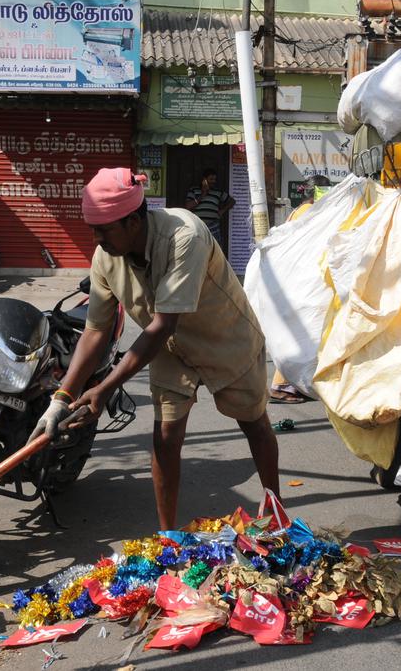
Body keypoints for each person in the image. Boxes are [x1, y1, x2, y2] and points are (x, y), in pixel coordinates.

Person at [30, 167, 280, 530]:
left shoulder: (185, 235)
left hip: (223, 335)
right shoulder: (105, 258)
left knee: (253, 423)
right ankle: (168, 537)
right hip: (165, 349)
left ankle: (276, 510)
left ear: (133, 221)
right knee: (165, 439)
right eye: (94, 231)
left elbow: (164, 324)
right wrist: (63, 396)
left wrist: (104, 389)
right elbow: (96, 331)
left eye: (104, 230)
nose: (98, 240)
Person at [269, 174, 332, 404]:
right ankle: (281, 385)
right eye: (325, 191)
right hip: (302, 281)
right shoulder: (310, 213)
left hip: (297, 279)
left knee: (304, 333)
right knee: (301, 334)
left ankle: (295, 383)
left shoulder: (299, 211)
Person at [184, 168, 235, 252]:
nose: (213, 181)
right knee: (197, 250)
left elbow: (232, 201)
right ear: (204, 179)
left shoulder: (218, 192)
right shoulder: (194, 190)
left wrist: (223, 210)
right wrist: (202, 194)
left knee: (215, 250)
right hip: (197, 225)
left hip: (213, 225)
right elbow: (188, 206)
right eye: (211, 179)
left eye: (214, 179)